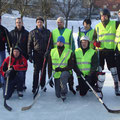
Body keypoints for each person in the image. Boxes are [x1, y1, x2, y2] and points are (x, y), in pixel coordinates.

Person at [93, 8, 120, 96]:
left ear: (108, 16)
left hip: (110, 51)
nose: (103, 17)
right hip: (100, 51)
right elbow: (94, 37)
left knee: (113, 69)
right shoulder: (97, 26)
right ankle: (99, 88)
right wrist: (95, 43)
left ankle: (116, 85)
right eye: (102, 16)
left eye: (105, 16)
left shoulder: (115, 24)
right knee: (100, 69)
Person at [52, 17, 76, 95]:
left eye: (61, 22)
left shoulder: (68, 32)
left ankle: (71, 86)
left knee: (69, 73)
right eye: (58, 22)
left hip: (67, 55)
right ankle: (60, 86)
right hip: (57, 55)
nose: (59, 23)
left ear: (64, 23)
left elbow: (72, 43)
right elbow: (52, 43)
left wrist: (73, 53)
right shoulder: (54, 32)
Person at [28, 16, 51, 94]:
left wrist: (48, 52)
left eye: (41, 22)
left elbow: (50, 44)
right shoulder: (32, 32)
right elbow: (29, 44)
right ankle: (34, 87)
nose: (39, 23)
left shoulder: (47, 32)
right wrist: (29, 54)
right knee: (36, 71)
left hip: (44, 54)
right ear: (36, 23)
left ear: (43, 23)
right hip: (36, 53)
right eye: (38, 22)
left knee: (43, 71)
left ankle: (42, 85)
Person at [48, 36, 74, 101]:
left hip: (66, 73)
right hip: (56, 74)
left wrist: (61, 69)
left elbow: (71, 66)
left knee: (63, 76)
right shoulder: (52, 51)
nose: (59, 43)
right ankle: (61, 88)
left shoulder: (68, 52)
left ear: (63, 43)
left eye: (61, 42)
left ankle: (64, 92)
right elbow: (49, 66)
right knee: (57, 95)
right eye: (58, 42)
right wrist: (50, 78)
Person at [10, 17, 29, 90]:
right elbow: (9, 45)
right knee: (14, 69)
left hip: (23, 55)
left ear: (22, 23)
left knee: (22, 70)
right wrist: (11, 53)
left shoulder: (26, 33)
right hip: (14, 55)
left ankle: (22, 84)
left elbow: (28, 44)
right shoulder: (11, 33)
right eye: (17, 22)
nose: (18, 23)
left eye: (20, 22)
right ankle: (14, 84)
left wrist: (27, 54)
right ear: (15, 23)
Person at [0, 16, 10, 88]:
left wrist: (9, 49)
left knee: (2, 66)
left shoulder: (4, 29)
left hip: (1, 51)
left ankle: (2, 81)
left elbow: (8, 41)